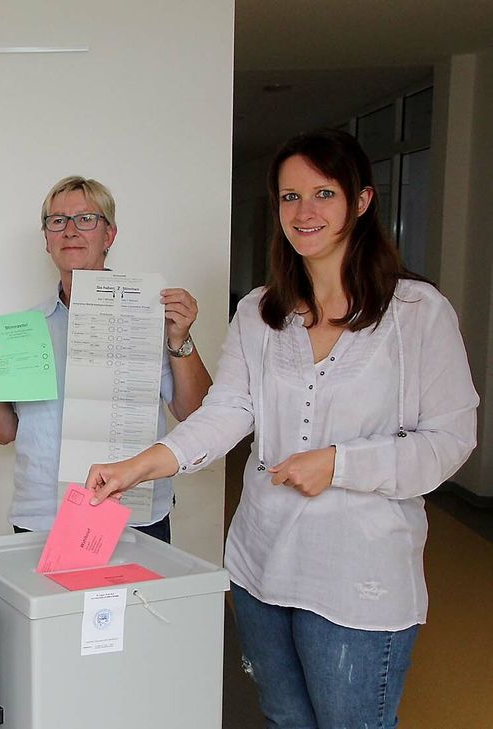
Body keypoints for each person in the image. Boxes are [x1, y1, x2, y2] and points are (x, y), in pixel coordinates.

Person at [86, 130, 479, 727]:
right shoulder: (261, 312)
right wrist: (139, 466)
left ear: (362, 201)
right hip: (260, 567)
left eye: (324, 193)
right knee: (283, 720)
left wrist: (340, 464)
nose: (305, 212)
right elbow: (226, 413)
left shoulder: (417, 313)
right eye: (289, 197)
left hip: (357, 578)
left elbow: (450, 440)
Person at [0, 176, 212, 539]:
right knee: (45, 598)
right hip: (43, 514)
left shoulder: (150, 317)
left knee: (136, 599)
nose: (70, 231)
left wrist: (180, 338)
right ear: (47, 239)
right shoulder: (25, 330)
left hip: (132, 511)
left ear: (108, 235)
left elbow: (194, 414)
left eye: (86, 219)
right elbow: (5, 433)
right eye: (57, 221)